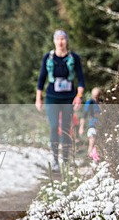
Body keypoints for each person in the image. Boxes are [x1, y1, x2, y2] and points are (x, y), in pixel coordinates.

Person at [35, 30, 85, 173]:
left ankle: (66, 160)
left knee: (66, 128)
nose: (61, 41)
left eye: (63, 39)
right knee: (53, 126)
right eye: (58, 39)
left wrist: (79, 96)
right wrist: (39, 98)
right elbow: (41, 79)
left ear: (66, 41)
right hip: (52, 97)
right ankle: (55, 159)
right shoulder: (48, 58)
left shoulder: (74, 58)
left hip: (69, 98)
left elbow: (81, 79)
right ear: (54, 41)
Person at [79, 87, 101, 162]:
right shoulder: (90, 102)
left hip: (101, 126)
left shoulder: (102, 103)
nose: (96, 98)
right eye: (95, 96)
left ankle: (95, 159)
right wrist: (81, 127)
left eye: (97, 96)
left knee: (97, 145)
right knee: (92, 143)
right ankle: (90, 159)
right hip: (92, 126)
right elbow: (84, 115)